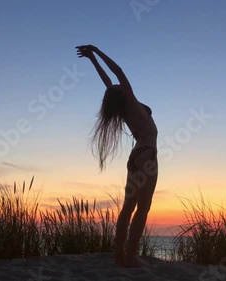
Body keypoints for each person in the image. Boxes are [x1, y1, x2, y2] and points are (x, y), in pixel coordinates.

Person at [76, 45, 158, 267]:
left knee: (128, 207)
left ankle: (120, 255)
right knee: (143, 208)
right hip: (147, 154)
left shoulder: (124, 105)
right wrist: (96, 51)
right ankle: (130, 257)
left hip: (135, 156)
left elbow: (108, 81)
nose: (120, 85)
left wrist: (92, 59)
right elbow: (118, 72)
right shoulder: (129, 101)